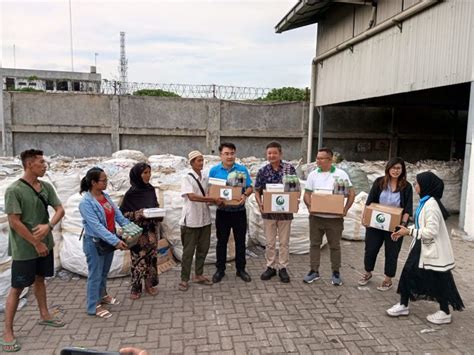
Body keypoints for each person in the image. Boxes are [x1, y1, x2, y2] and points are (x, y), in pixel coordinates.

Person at [1, 149, 65, 353]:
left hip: (45, 244)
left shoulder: (45, 186)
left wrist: (49, 226)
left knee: (40, 279)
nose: (45, 165)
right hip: (25, 249)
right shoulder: (14, 190)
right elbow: (14, 222)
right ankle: (8, 332)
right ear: (29, 164)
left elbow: (60, 210)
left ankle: (45, 315)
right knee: (17, 287)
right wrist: (35, 243)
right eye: (41, 162)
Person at [386, 171, 464, 324]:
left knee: (439, 279)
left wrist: (409, 231)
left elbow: (431, 231)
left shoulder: (431, 206)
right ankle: (403, 304)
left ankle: (444, 312)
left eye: (417, 183)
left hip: (430, 250)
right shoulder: (426, 202)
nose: (415, 185)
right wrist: (404, 230)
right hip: (422, 247)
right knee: (409, 273)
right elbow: (422, 225)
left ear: (425, 186)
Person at [79, 167, 129, 319]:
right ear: (94, 182)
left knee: (104, 272)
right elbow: (97, 227)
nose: (106, 183)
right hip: (94, 243)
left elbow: (118, 215)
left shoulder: (105, 196)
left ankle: (102, 295)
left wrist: (131, 229)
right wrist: (116, 241)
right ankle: (93, 305)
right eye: (104, 180)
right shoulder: (86, 203)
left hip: (108, 241)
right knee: (95, 274)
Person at [358, 157, 413, 291]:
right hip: (376, 224)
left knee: (392, 252)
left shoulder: (406, 186)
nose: (395, 171)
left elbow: (407, 208)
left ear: (402, 170)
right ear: (388, 168)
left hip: (394, 226)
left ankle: (388, 280)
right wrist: (365, 218)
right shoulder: (379, 182)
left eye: (398, 168)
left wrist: (403, 225)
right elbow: (369, 202)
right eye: (393, 168)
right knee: (370, 249)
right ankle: (367, 272)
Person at [303, 147, 355, 286]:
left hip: (335, 219)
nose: (318, 161)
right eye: (317, 158)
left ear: (330, 159)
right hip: (316, 217)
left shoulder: (341, 174)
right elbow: (307, 194)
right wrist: (309, 207)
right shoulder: (313, 175)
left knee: (335, 246)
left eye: (321, 158)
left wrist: (345, 209)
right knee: (314, 244)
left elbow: (351, 193)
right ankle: (314, 271)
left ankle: (336, 272)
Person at [178, 151, 224, 291]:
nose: (201, 162)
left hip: (204, 220)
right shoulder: (187, 177)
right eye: (198, 160)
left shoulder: (205, 177)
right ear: (192, 163)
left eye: (202, 160)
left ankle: (198, 274)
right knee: (188, 252)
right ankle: (184, 279)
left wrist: (218, 199)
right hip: (191, 220)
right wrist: (212, 199)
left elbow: (209, 195)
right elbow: (192, 197)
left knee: (203, 249)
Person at [209, 142, 253, 283]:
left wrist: (245, 195)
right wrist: (215, 200)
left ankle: (241, 269)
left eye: (232, 153)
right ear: (220, 155)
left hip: (239, 211)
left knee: (240, 241)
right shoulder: (214, 171)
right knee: (221, 242)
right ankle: (220, 270)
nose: (229, 156)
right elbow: (211, 191)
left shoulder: (241, 169)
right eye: (226, 153)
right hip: (222, 212)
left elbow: (250, 187)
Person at [254, 141, 297, 283]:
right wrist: (260, 204)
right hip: (269, 214)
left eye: (275, 153)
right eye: (269, 153)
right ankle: (270, 267)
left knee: (284, 243)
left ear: (280, 154)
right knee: (270, 242)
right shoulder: (263, 171)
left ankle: (283, 268)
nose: (272, 155)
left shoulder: (289, 169)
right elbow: (257, 190)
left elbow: (295, 189)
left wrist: (295, 201)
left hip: (285, 214)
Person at [120, 163, 162, 300]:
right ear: (137, 175)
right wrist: (138, 214)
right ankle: (136, 287)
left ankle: (149, 285)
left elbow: (154, 205)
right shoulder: (131, 193)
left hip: (151, 230)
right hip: (138, 233)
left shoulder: (150, 190)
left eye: (149, 172)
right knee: (138, 260)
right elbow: (123, 214)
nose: (148, 175)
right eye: (145, 173)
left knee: (151, 259)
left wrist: (158, 212)